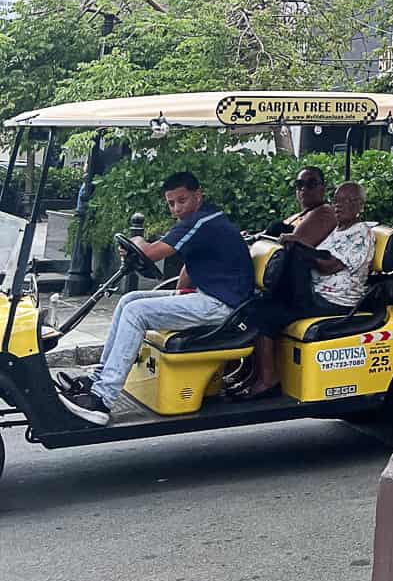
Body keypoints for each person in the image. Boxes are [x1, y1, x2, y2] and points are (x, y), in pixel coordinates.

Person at [58, 171, 255, 426]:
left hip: (223, 307)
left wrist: (137, 242)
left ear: (198, 196)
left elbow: (151, 253)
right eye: (171, 203)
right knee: (129, 300)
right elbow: (189, 266)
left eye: (182, 200)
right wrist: (178, 294)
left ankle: (102, 400)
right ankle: (99, 379)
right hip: (211, 298)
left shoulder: (202, 221)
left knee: (136, 313)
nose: (176, 208)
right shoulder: (202, 220)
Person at [232, 181, 375, 399]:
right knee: (257, 307)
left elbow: (329, 266)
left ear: (359, 205)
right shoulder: (336, 230)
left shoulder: (361, 233)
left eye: (346, 201)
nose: (338, 205)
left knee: (266, 315)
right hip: (314, 293)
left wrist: (300, 245)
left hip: (334, 300)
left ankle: (268, 380)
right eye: (335, 200)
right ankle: (252, 373)